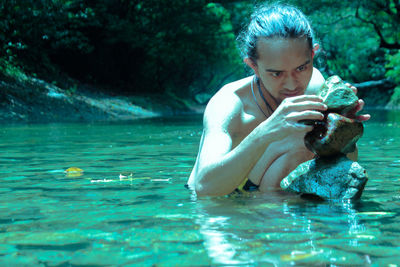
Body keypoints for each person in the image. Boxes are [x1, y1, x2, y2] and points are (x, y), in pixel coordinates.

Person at [187, 3, 370, 196]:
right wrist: (267, 131)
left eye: (301, 68)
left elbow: (346, 160)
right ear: (253, 66)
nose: (291, 85)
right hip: (225, 199)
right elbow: (203, 188)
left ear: (312, 54)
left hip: (271, 194)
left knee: (307, 142)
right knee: (297, 140)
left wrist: (344, 130)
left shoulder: (316, 85)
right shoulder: (230, 104)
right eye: (276, 74)